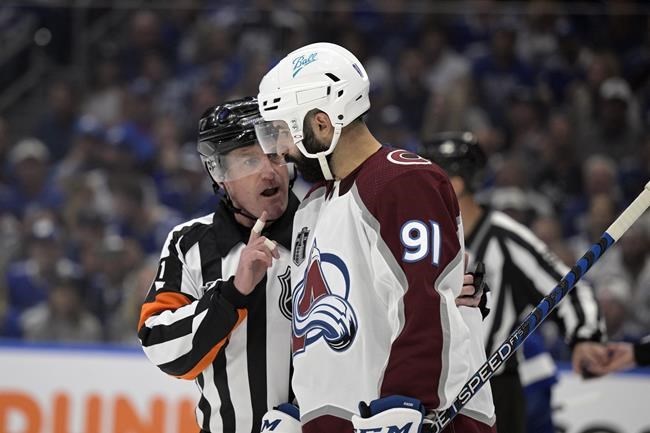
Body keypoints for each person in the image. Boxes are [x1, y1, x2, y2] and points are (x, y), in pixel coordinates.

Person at [257, 42, 496, 433]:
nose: (280, 150)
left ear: (321, 124)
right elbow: (326, 329)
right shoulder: (315, 204)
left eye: (282, 131)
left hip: (413, 418)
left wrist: (409, 401)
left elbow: (423, 300)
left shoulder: (403, 181)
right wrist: (303, 411)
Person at [422, 131, 608, 433]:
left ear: (453, 183)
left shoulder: (505, 238)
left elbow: (567, 287)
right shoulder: (421, 237)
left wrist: (585, 336)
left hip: (494, 387)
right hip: (435, 389)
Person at [138, 97, 299, 433]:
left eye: (274, 155)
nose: (269, 171)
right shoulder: (190, 243)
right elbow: (162, 347)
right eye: (250, 161)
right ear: (220, 175)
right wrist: (233, 296)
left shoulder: (328, 223)